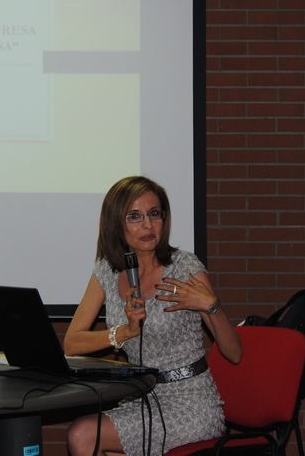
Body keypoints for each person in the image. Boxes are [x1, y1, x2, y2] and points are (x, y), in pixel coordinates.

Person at [64, 176, 242, 456]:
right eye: (134, 216)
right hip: (140, 397)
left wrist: (211, 305)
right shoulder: (107, 270)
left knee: (83, 434)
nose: (147, 225)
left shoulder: (184, 266)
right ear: (116, 224)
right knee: (90, 438)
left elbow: (234, 353)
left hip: (190, 404)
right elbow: (72, 343)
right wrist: (125, 332)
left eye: (154, 214)